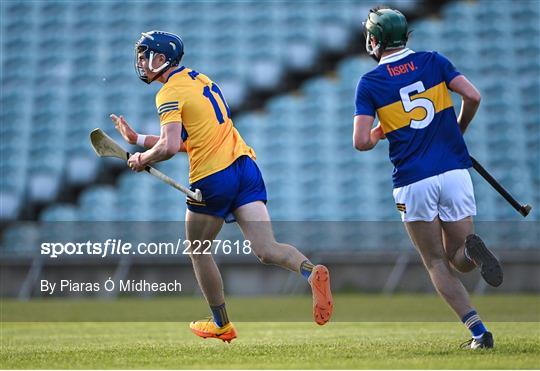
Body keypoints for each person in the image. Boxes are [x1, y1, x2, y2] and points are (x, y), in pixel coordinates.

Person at [110, 30, 333, 342]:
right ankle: (310, 272)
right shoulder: (200, 79)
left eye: (145, 55)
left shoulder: (167, 93)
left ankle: (221, 324)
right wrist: (137, 140)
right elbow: (192, 138)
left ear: (161, 59)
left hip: (213, 176)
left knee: (198, 250)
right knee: (266, 249)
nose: (141, 62)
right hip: (245, 166)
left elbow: (171, 146)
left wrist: (141, 158)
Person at [353, 8, 503, 349]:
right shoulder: (434, 61)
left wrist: (379, 133)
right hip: (454, 171)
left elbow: (361, 142)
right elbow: (474, 96)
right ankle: (474, 251)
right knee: (460, 258)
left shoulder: (371, 83)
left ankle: (480, 333)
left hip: (413, 179)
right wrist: (458, 132)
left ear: (374, 41)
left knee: (436, 261)